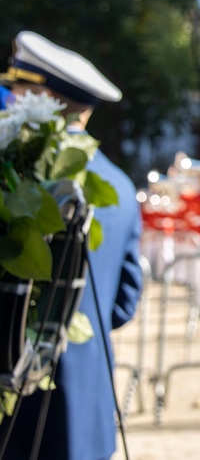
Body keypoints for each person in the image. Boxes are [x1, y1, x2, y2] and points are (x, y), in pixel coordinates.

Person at [0, 31, 144, 460]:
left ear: (42, 99)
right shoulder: (119, 185)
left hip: (17, 412)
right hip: (87, 407)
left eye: (19, 91)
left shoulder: (16, 180)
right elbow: (122, 304)